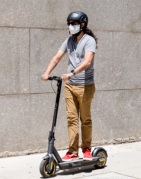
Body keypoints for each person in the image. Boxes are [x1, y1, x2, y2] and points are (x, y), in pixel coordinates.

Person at [41, 11, 98, 161]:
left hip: (85, 86)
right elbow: (56, 58)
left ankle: (86, 149)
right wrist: (47, 73)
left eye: (74, 23)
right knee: (72, 119)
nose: (71, 26)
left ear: (82, 24)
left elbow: (87, 62)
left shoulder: (89, 40)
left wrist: (72, 73)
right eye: (69, 24)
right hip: (70, 86)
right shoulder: (69, 41)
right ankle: (72, 151)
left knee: (85, 119)